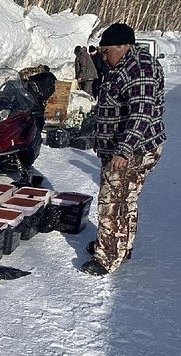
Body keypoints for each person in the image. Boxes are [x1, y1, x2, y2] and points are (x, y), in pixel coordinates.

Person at [80, 23, 167, 276]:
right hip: (122, 147)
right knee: (125, 201)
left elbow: (141, 114)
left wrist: (122, 150)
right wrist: (101, 136)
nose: (104, 58)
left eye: (106, 52)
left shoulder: (140, 68)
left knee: (112, 202)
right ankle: (119, 246)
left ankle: (106, 258)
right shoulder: (123, 64)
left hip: (133, 150)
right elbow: (113, 105)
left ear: (123, 46)